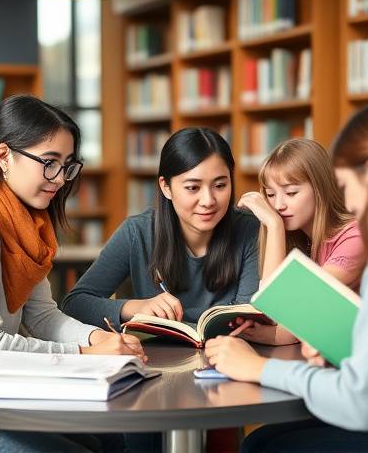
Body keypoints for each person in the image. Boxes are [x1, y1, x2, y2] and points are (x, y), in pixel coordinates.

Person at [205, 99, 368, 452]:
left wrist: (258, 368)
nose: (351, 202)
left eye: (346, 185)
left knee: (260, 447)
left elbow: (364, 401)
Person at [0, 95, 145, 453]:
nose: (59, 179)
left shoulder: (25, 222)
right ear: (4, 156)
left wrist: (96, 339)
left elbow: (41, 315)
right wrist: (85, 355)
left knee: (112, 437)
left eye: (67, 165)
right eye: (49, 163)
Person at [62, 127, 260, 330]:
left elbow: (250, 316)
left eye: (219, 186)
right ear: (166, 187)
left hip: (230, 356)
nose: (208, 201)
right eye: (193, 187)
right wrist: (136, 307)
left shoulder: (250, 229)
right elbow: (75, 304)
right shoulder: (137, 232)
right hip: (154, 359)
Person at [236, 138, 364, 347]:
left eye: (291, 192)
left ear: (321, 188)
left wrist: (274, 224)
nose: (278, 205)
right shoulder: (305, 241)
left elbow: (297, 307)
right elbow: (274, 311)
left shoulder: (356, 237)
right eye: (270, 194)